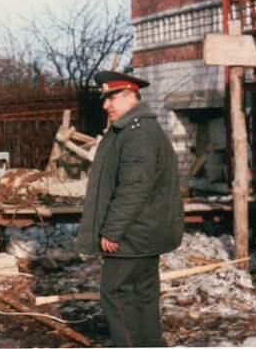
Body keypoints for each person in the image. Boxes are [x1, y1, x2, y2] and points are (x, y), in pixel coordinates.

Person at [75, 70, 184, 347]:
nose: (105, 105)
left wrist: (111, 230)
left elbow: (134, 187)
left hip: (131, 235)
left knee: (117, 294)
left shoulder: (137, 134)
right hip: (145, 233)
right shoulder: (137, 129)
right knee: (143, 294)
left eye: (111, 98)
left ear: (129, 96)